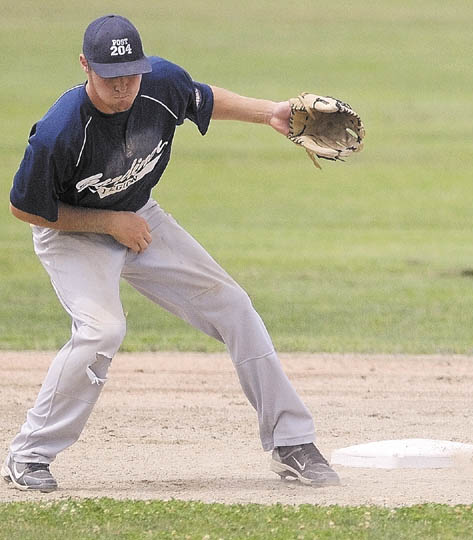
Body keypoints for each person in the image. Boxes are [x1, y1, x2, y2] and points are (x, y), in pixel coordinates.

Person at [3, 14, 339, 491]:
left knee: (233, 306)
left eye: (131, 74)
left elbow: (198, 98)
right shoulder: (59, 132)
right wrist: (108, 223)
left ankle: (292, 443)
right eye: (110, 77)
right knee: (102, 330)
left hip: (140, 217)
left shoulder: (159, 82)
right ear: (84, 66)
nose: (123, 87)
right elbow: (25, 209)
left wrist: (269, 112)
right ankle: (28, 455)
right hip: (72, 232)